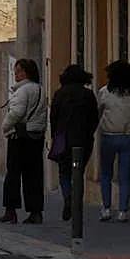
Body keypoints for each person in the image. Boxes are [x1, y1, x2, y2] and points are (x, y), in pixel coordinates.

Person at [96, 60, 130, 222]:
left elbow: (99, 111)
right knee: (125, 176)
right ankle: (123, 210)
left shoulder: (105, 92)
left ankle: (106, 208)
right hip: (128, 137)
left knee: (106, 173)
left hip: (108, 135)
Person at [48, 64, 99, 221]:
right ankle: (76, 202)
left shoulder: (60, 94)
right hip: (83, 139)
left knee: (64, 172)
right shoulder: (88, 95)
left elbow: (53, 118)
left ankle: (68, 196)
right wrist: (89, 134)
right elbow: (94, 118)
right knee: (79, 173)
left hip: (63, 138)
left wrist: (55, 136)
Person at [0, 58, 46, 224]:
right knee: (34, 175)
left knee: (13, 174)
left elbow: (16, 113)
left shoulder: (22, 91)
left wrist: (5, 127)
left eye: (17, 71)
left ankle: (10, 210)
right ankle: (35, 211)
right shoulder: (40, 90)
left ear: (25, 72)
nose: (15, 74)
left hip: (19, 137)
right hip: (36, 136)